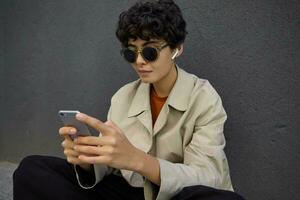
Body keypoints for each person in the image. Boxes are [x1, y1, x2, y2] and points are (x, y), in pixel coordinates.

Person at [13, 0, 245, 199]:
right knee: (32, 169)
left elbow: (208, 177)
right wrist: (86, 160)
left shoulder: (203, 98)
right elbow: (111, 168)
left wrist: (140, 161)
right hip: (130, 193)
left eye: (150, 51)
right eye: (131, 52)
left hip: (176, 195)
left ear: (177, 49)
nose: (140, 61)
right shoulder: (123, 97)